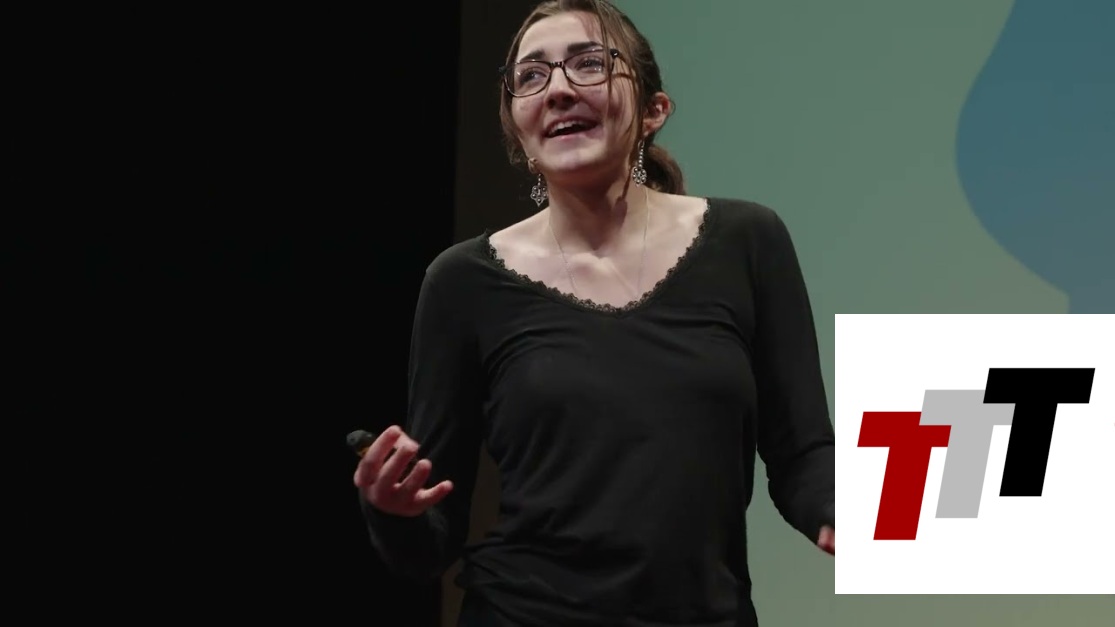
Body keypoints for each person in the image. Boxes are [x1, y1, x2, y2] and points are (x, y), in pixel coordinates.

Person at [353, 1, 835, 625]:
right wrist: (394, 511)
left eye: (589, 64)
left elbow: (803, 454)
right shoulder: (462, 282)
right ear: (518, 130)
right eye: (531, 76)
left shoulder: (748, 241)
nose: (558, 89)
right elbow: (432, 535)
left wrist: (846, 513)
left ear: (654, 110)